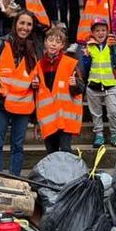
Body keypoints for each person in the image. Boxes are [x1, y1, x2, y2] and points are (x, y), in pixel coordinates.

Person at [0, 11, 39, 176]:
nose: (24, 28)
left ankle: (14, 179)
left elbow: (36, 74)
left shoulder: (34, 49)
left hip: (24, 104)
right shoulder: (0, 44)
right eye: (22, 23)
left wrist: (36, 83)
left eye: (29, 24)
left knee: (18, 146)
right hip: (0, 103)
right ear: (15, 24)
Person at [34, 26, 85, 154]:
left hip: (64, 118)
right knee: (51, 152)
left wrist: (75, 84)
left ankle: (72, 172)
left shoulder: (70, 63)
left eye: (58, 42)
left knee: (65, 150)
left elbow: (81, 88)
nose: (53, 44)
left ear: (62, 45)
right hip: (48, 118)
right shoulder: (39, 65)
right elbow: (36, 93)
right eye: (51, 40)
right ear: (45, 42)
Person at [80, 18, 116, 147]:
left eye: (103, 30)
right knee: (96, 113)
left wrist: (115, 49)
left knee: (113, 112)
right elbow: (85, 68)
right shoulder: (89, 46)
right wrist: (86, 57)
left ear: (107, 31)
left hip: (110, 85)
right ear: (92, 32)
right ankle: (99, 135)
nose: (100, 33)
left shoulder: (111, 45)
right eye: (97, 30)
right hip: (93, 86)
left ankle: (114, 134)